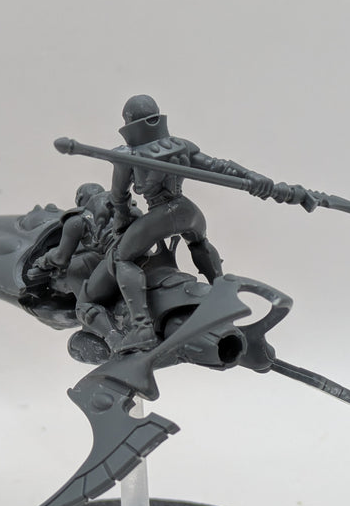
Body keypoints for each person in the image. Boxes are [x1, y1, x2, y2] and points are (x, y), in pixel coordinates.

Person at [82, 94, 274, 353]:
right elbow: (220, 167)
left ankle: (142, 327)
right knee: (199, 242)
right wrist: (251, 176)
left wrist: (122, 222)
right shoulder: (180, 146)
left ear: (128, 122)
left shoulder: (128, 155)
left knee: (121, 258)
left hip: (161, 215)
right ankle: (221, 293)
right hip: (188, 211)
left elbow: (119, 197)